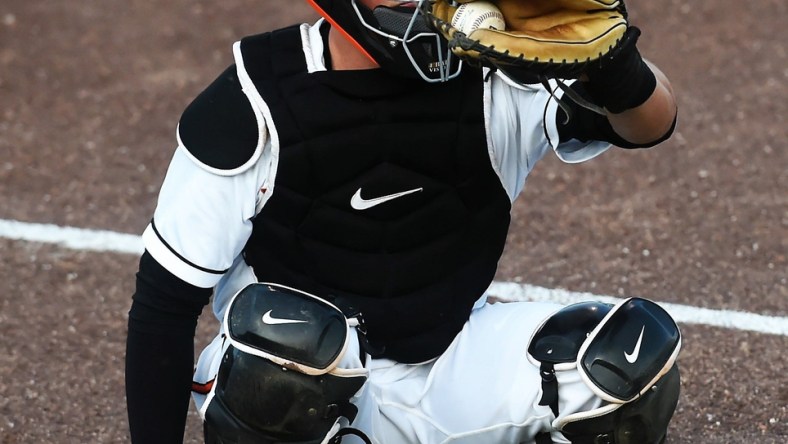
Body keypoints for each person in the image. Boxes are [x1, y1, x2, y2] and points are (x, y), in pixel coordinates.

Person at [125, 1, 681, 443]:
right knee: (278, 362)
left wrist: (615, 69)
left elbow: (649, 125)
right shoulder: (254, 99)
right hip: (313, 393)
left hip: (452, 361)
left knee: (625, 361)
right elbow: (162, 307)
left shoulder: (497, 74)